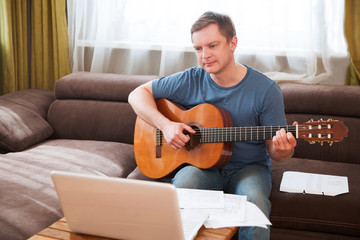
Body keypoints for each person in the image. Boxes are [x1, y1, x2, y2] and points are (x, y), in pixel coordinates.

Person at [128, 11, 297, 240]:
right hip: (201, 167)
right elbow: (137, 94)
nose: (204, 55)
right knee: (180, 190)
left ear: (232, 43)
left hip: (248, 169)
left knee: (255, 201)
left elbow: (275, 152)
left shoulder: (266, 90)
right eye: (198, 48)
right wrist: (166, 125)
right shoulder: (191, 79)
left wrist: (283, 150)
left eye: (212, 45)